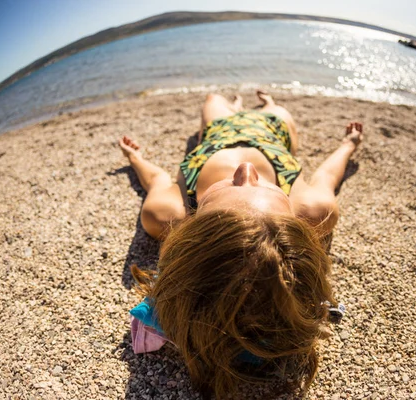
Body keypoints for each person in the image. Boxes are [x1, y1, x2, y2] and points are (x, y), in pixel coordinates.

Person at [119, 90, 363, 398]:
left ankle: (234, 105)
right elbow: (328, 176)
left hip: (216, 137)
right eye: (263, 185)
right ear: (288, 214)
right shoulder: (310, 211)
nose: (247, 170)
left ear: (196, 221)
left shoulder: (165, 215)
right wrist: (349, 145)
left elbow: (155, 180)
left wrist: (134, 157)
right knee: (279, 112)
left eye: (232, 185)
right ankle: (267, 104)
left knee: (212, 100)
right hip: (270, 133)